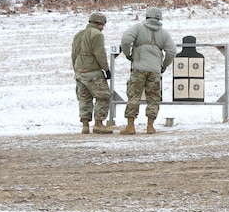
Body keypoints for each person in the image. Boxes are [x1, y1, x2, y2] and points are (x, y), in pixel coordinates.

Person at [119, 7, 176, 135]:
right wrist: (164, 65)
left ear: (147, 16)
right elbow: (172, 51)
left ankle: (130, 126)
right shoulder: (164, 33)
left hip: (139, 68)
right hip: (155, 70)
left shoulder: (138, 28)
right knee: (153, 98)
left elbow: (126, 39)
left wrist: (128, 55)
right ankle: (150, 126)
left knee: (134, 95)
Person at [71, 12, 113, 134]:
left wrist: (76, 68)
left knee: (84, 98)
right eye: (103, 25)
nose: (103, 27)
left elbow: (74, 53)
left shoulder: (78, 34)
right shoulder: (97, 35)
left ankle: (85, 125)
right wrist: (106, 69)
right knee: (103, 96)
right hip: (92, 72)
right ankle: (99, 123)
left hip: (79, 71)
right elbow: (100, 54)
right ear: (99, 24)